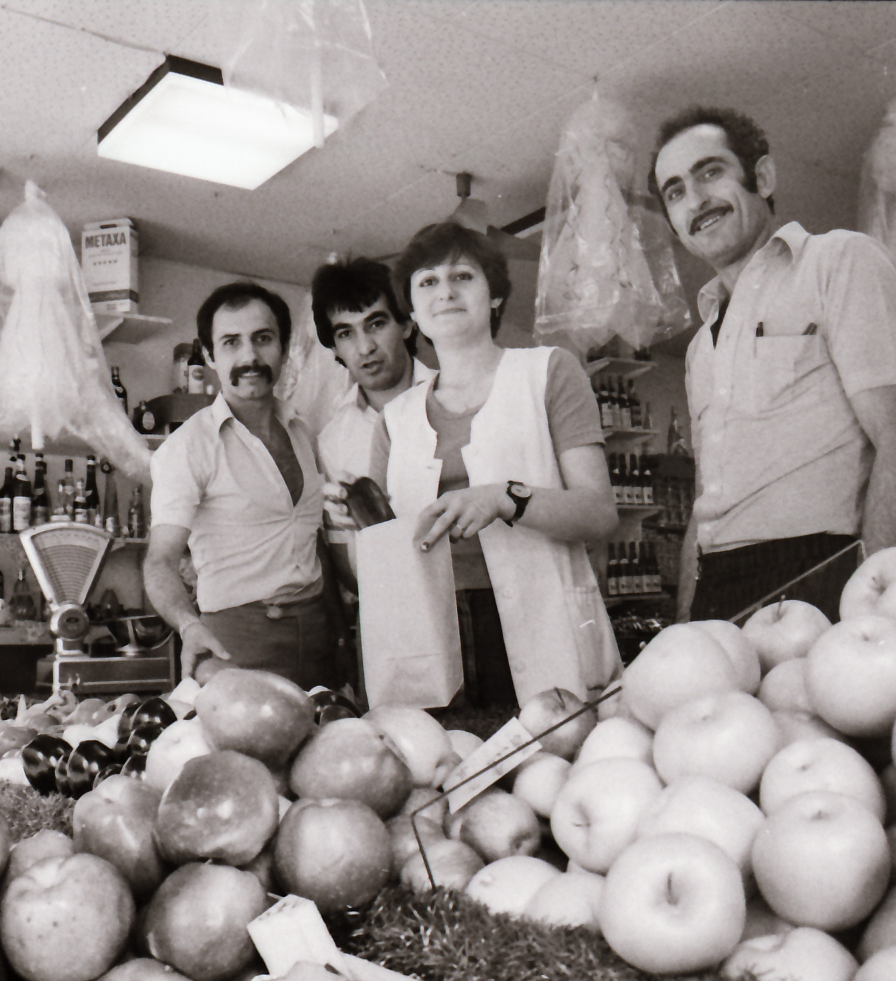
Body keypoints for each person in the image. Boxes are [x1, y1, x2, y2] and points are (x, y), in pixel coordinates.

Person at [650, 106, 896, 625]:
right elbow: (704, 504)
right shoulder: (698, 348)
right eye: (674, 192)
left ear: (761, 176)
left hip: (822, 571)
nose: (695, 201)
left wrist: (872, 611)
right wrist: (689, 628)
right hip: (717, 587)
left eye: (710, 172)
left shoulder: (839, 261)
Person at [371, 221, 620, 710]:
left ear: (495, 297)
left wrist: (507, 496)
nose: (445, 291)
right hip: (431, 636)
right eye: (427, 282)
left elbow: (599, 513)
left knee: (551, 768)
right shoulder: (394, 420)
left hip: (546, 624)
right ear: (413, 315)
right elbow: (387, 556)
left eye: (462, 276)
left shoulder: (548, 372)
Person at [143, 281, 337, 688]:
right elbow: (160, 561)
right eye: (231, 342)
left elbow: (314, 540)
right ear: (211, 355)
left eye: (262, 339)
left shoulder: (305, 432)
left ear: (283, 349)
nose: (249, 356)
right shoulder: (188, 446)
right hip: (235, 640)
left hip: (318, 635)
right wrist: (188, 626)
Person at [310, 255, 432, 490]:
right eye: (346, 333)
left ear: (406, 325)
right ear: (335, 348)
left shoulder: (456, 397)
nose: (365, 347)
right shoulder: (333, 440)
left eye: (376, 324)